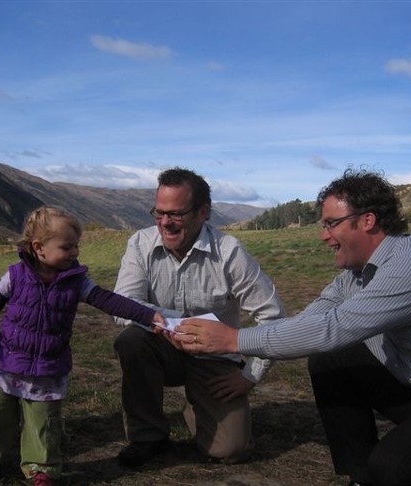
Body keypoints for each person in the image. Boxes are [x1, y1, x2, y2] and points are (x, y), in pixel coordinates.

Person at [174, 169, 411, 486]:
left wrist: (235, 339)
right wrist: (250, 343)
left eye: (331, 224)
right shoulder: (356, 275)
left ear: (368, 220)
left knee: (394, 470)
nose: (324, 236)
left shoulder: (410, 267)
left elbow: (335, 327)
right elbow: (317, 320)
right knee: (332, 360)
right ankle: (360, 476)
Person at [0, 206, 165, 486]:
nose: (75, 253)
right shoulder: (15, 276)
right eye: (67, 246)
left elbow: (109, 300)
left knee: (43, 424)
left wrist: (146, 314)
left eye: (76, 246)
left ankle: (41, 469)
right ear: (39, 248)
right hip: (6, 363)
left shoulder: (77, 282)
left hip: (48, 367)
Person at [112, 167, 286, 467]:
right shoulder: (140, 244)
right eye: (159, 212)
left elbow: (273, 316)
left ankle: (199, 405)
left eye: (176, 214)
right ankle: (147, 436)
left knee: (230, 451)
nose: (165, 222)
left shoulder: (229, 252)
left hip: (216, 356)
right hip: (161, 346)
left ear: (203, 212)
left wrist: (250, 376)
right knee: (131, 341)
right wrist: (176, 321)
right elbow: (123, 304)